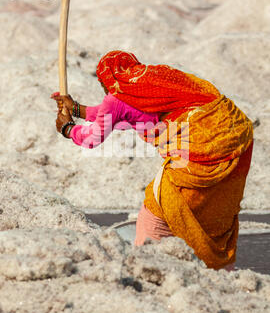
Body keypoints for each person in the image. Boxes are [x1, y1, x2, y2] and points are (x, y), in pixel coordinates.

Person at [51, 50, 253, 271]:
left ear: (106, 79)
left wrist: (67, 128)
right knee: (211, 210)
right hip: (235, 138)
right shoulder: (154, 82)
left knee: (156, 213)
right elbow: (118, 113)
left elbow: (93, 137)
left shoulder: (117, 97)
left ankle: (148, 269)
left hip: (198, 153)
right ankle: (219, 270)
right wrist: (77, 109)